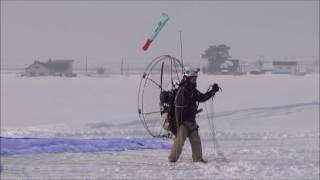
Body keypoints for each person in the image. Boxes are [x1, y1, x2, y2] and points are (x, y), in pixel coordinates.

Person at [168, 67, 220, 163]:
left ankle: (198, 159)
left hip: (191, 121)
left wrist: (213, 91)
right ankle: (172, 159)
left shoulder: (192, 90)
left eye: (195, 79)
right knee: (179, 142)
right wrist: (177, 125)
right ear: (187, 78)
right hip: (182, 122)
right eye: (192, 78)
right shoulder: (182, 91)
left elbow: (202, 98)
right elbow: (177, 109)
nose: (194, 81)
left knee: (196, 140)